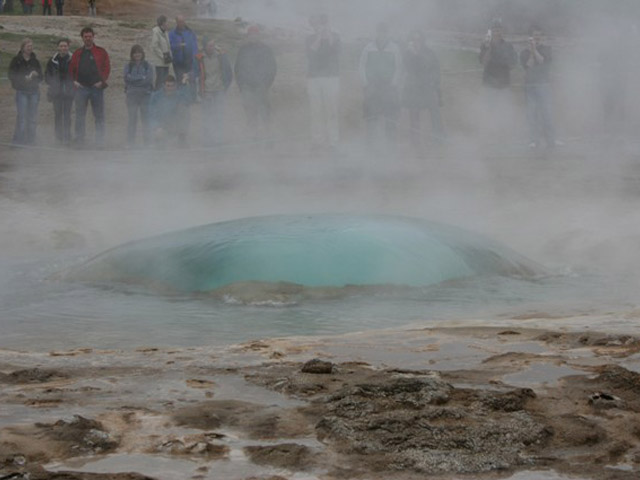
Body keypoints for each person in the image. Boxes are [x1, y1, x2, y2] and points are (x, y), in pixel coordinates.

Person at [359, 23, 402, 150]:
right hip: (372, 87)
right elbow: (361, 66)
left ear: (387, 33)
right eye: (380, 32)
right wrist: (365, 83)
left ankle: (390, 144)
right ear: (376, 33)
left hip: (389, 87)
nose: (382, 34)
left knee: (390, 115)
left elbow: (399, 67)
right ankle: (371, 144)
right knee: (371, 116)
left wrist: (394, 83)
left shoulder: (394, 48)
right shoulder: (368, 48)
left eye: (384, 32)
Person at [234, 25, 277, 144]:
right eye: (251, 35)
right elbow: (237, 68)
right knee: (250, 111)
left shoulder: (266, 49)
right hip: (247, 87)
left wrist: (267, 83)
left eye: (255, 34)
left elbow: (272, 68)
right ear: (248, 36)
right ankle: (254, 136)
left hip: (261, 85)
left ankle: (268, 135)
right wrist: (241, 86)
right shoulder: (243, 50)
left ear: (258, 36)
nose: (253, 37)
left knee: (264, 111)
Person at [402, 30, 444, 149]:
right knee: (414, 115)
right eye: (414, 39)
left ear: (422, 40)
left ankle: (438, 139)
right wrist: (413, 54)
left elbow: (435, 69)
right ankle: (415, 141)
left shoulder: (429, 53)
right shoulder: (407, 53)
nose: (416, 42)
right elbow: (407, 67)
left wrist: (435, 83)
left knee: (435, 113)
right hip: (413, 89)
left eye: (418, 39)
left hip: (428, 88)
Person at [69, 27, 110, 148]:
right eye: (85, 37)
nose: (88, 39)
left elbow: (106, 68)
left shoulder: (101, 52)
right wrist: (74, 82)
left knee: (99, 115)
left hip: (96, 88)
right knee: (80, 115)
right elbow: (71, 69)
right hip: (81, 88)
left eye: (90, 36)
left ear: (93, 37)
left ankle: (100, 141)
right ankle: (80, 140)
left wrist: (102, 82)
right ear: (82, 38)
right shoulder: (77, 53)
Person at [306, 13, 341, 153]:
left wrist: (328, 34)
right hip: (313, 78)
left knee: (331, 110)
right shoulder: (309, 38)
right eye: (316, 24)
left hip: (331, 78)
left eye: (322, 23)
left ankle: (333, 141)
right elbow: (311, 52)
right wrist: (319, 37)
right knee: (316, 111)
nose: (319, 26)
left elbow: (335, 49)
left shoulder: (335, 37)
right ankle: (317, 141)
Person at [520, 26, 557, 149]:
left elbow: (541, 60)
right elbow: (528, 65)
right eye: (534, 35)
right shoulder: (524, 52)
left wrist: (535, 50)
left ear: (541, 37)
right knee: (532, 114)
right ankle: (533, 140)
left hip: (543, 84)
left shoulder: (547, 49)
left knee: (547, 113)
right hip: (530, 85)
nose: (537, 37)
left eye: (539, 35)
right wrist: (531, 51)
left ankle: (551, 139)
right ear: (530, 37)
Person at [195, 38, 232, 146]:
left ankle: (218, 138)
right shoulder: (199, 58)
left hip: (219, 89)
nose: (212, 47)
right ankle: (207, 139)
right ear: (205, 46)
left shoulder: (221, 56)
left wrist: (225, 87)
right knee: (207, 115)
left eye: (213, 45)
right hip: (207, 90)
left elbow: (228, 72)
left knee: (219, 114)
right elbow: (196, 73)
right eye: (209, 45)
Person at [8, 38, 43, 145]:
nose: (30, 48)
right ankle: (18, 141)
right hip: (22, 91)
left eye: (31, 46)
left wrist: (36, 75)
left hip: (34, 92)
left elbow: (41, 77)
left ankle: (31, 141)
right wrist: (23, 79)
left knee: (32, 118)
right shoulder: (16, 60)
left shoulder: (35, 61)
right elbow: (11, 75)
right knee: (22, 118)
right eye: (28, 46)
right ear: (23, 48)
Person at [45, 38, 74, 145]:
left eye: (65, 46)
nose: (63, 48)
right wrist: (52, 83)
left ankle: (67, 136)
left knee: (67, 115)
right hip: (56, 92)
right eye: (61, 46)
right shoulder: (52, 61)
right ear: (58, 47)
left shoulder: (73, 59)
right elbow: (47, 75)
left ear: (68, 47)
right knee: (57, 115)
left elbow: (76, 74)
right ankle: (58, 137)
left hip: (68, 92)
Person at [149, 74, 191, 147]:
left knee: (184, 108)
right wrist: (157, 127)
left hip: (174, 123)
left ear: (175, 86)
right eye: (168, 86)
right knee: (159, 134)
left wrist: (184, 84)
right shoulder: (156, 96)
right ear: (164, 85)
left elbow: (187, 99)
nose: (170, 88)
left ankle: (181, 139)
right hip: (161, 124)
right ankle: (159, 141)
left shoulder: (178, 95)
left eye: (172, 86)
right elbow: (151, 114)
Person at [124, 44, 153, 147]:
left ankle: (147, 142)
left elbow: (148, 80)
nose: (137, 54)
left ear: (142, 54)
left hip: (145, 96)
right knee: (132, 119)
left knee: (145, 119)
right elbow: (126, 79)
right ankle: (130, 143)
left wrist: (134, 80)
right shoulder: (128, 66)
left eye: (139, 52)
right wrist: (141, 78)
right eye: (135, 52)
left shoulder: (148, 65)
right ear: (132, 54)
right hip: (131, 96)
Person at [479, 20, 516, 89]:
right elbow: (483, 63)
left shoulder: (508, 46)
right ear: (491, 33)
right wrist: (488, 48)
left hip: (504, 82)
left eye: (498, 31)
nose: (496, 34)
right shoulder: (485, 45)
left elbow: (512, 65)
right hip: (488, 82)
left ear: (502, 31)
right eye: (494, 31)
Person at [169, 15, 198, 98]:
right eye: (180, 21)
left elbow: (195, 45)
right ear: (176, 22)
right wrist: (178, 46)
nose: (182, 23)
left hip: (190, 61)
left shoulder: (190, 32)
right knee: (180, 80)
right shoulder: (172, 34)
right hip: (178, 62)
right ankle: (181, 98)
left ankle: (193, 97)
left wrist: (195, 56)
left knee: (192, 79)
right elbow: (169, 46)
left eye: (183, 21)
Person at [150, 15, 172, 90]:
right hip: (160, 62)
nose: (168, 23)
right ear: (163, 23)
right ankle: (157, 97)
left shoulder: (165, 32)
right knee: (160, 80)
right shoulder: (156, 32)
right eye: (167, 22)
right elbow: (154, 46)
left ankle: (163, 97)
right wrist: (163, 56)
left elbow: (168, 46)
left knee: (165, 80)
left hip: (166, 61)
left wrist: (168, 56)